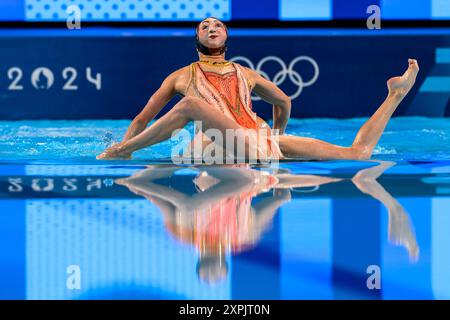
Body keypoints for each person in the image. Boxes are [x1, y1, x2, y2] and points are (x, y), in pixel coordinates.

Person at [97, 17, 419, 161]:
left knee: (357, 155)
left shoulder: (246, 73)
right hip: (239, 144)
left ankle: (395, 94)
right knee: (190, 109)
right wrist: (129, 144)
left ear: (226, 38)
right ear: (197, 40)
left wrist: (277, 134)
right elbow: (142, 118)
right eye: (205, 27)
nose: (212, 28)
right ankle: (396, 96)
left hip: (253, 142)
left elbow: (283, 99)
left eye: (218, 26)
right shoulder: (181, 76)